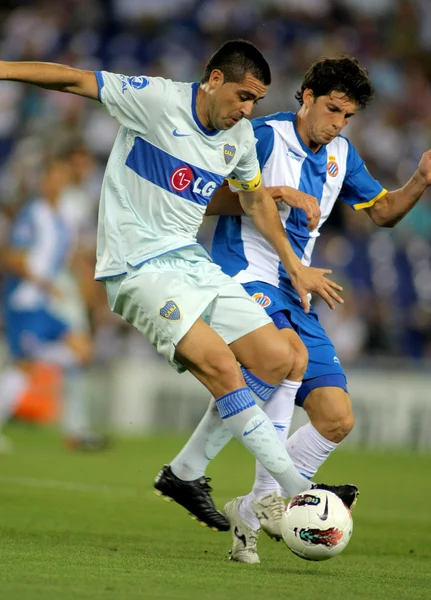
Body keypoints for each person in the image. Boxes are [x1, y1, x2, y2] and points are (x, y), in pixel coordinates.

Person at [0, 40, 356, 527]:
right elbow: (72, 78)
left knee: (277, 357)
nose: (247, 110)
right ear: (213, 80)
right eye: (242, 97)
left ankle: (185, 472)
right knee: (220, 366)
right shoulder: (155, 99)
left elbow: (252, 202)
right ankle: (300, 492)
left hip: (189, 261)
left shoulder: (241, 138)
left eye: (256, 101)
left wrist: (293, 261)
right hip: (135, 266)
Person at [163, 55, 431, 563]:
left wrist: (419, 179)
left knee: (337, 418)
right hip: (244, 272)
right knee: (289, 355)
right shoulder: (261, 135)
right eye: (332, 110)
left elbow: (384, 213)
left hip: (297, 287)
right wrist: (272, 192)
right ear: (306, 97)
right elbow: (201, 196)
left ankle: (248, 508)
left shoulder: (342, 156)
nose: (337, 124)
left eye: (347, 117)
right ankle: (271, 495)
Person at [0, 156, 93, 451]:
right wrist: (42, 282)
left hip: (46, 302)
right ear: (44, 179)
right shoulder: (33, 213)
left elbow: (68, 256)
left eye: (63, 177)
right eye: (54, 176)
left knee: (82, 351)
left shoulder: (63, 218)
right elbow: (11, 257)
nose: (59, 182)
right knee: (24, 367)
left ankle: (36, 357)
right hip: (25, 300)